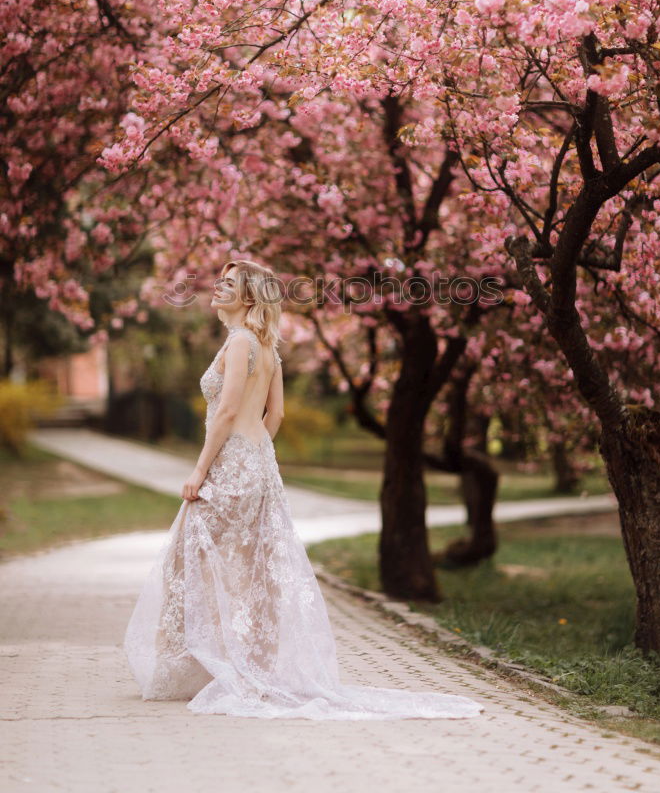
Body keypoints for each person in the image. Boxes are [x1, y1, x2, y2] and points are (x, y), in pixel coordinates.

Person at [123, 259, 485, 720]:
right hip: (257, 461)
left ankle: (211, 667)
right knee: (247, 567)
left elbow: (229, 411)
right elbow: (274, 418)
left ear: (249, 297)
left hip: (232, 462)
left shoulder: (239, 343)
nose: (217, 287)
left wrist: (201, 470)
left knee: (191, 560)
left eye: (229, 284)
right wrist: (254, 456)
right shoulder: (268, 350)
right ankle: (238, 663)